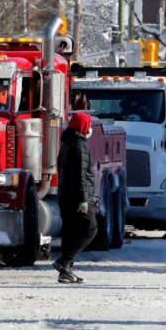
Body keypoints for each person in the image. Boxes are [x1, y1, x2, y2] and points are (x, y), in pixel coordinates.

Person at [53, 112, 98, 284]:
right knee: (90, 228)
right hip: (75, 197)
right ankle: (64, 262)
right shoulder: (80, 145)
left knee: (71, 232)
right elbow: (81, 174)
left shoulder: (66, 143)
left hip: (65, 195)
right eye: (89, 124)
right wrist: (84, 199)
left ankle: (66, 272)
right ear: (83, 126)